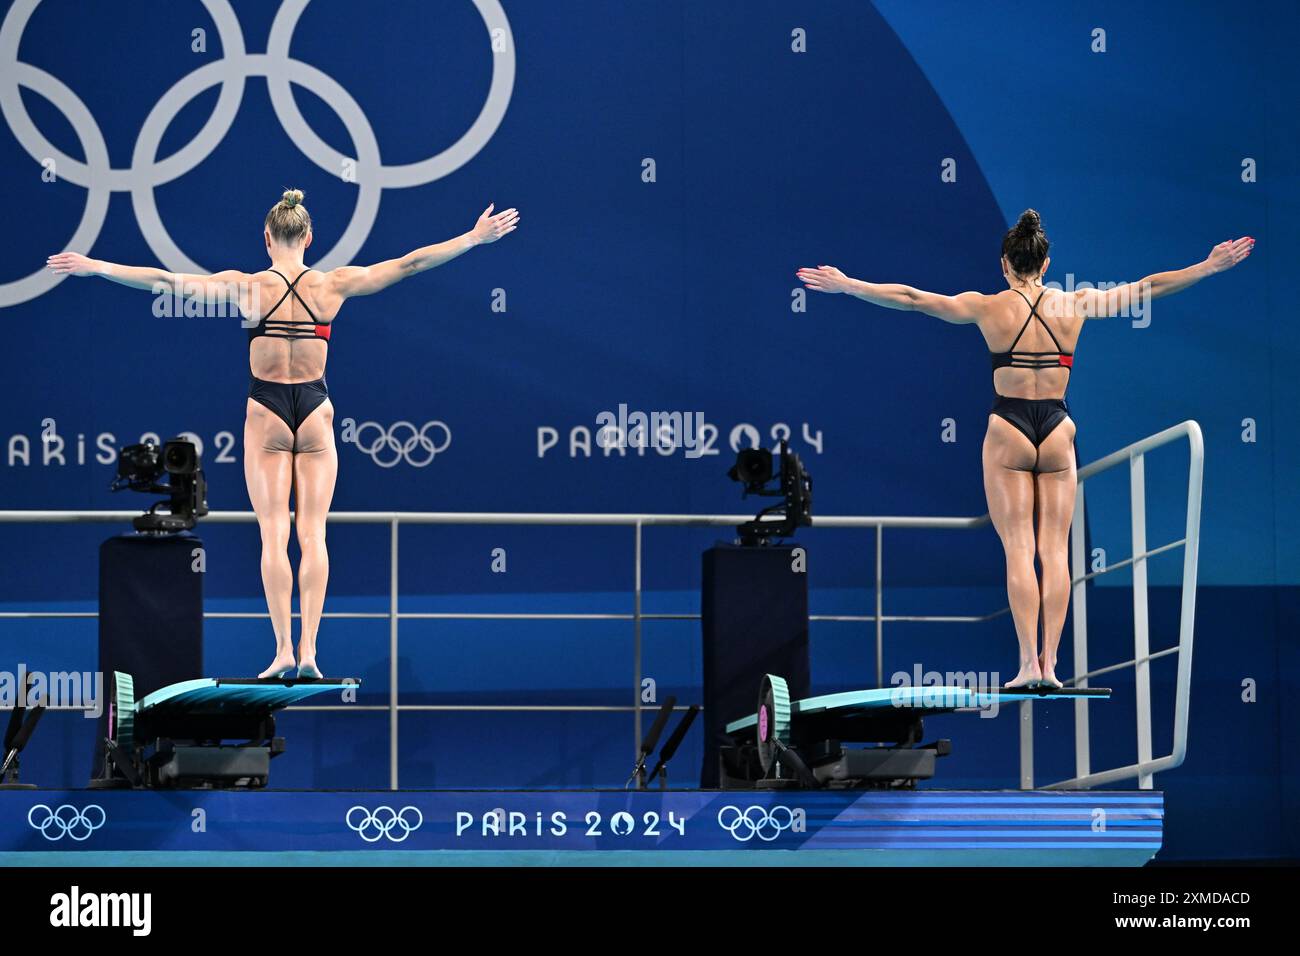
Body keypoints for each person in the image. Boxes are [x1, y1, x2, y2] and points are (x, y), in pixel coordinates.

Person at [47, 189, 520, 679]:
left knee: (273, 534)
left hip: (267, 410)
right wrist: (472, 238)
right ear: (310, 238)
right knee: (313, 534)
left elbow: (166, 281)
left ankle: (283, 652)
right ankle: (311, 651)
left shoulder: (248, 287)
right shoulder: (332, 285)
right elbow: (409, 264)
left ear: (267, 238)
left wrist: (97, 265)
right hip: (315, 410)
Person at [797, 210, 1251, 687]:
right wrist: (1206, 266)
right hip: (1057, 428)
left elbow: (913, 299)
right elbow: (1146, 289)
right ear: (1046, 263)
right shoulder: (1075, 304)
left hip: (1008, 427)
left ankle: (1027, 664)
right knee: (1054, 551)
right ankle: (1053, 665)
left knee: (1019, 549)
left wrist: (849, 284)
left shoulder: (988, 306)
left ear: (1004, 265)